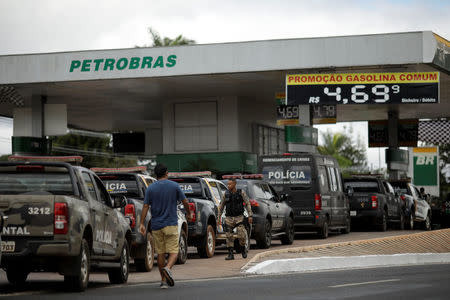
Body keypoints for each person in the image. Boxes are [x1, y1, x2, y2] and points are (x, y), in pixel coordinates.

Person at [139, 163, 191, 289]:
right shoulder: (174, 186)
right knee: (174, 251)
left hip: (156, 225)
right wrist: (189, 213)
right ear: (166, 173)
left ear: (155, 174)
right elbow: (185, 201)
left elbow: (145, 206)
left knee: (161, 253)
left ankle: (163, 282)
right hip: (171, 224)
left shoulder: (150, 188)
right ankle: (168, 268)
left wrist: (141, 223)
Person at [217, 178, 253, 260]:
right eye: (228, 184)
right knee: (229, 236)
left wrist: (250, 215)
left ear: (234, 184)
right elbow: (221, 206)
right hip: (229, 218)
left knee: (241, 235)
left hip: (239, 218)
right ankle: (230, 254)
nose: (228, 186)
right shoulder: (225, 194)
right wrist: (218, 218)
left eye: (230, 184)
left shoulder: (241, 193)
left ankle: (243, 249)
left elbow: (247, 203)